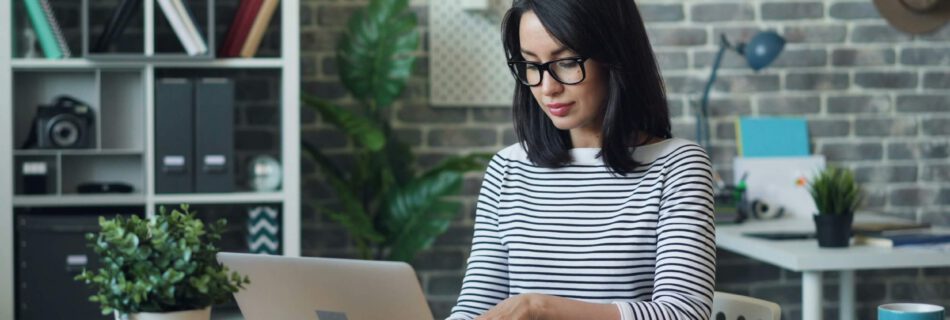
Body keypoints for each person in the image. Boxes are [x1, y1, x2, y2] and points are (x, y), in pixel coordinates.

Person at [446, 1, 716, 319]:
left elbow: (684, 313)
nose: (548, 88)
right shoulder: (508, 168)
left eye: (567, 62)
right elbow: (475, 309)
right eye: (531, 65)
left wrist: (540, 308)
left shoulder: (678, 166)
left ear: (614, 57)